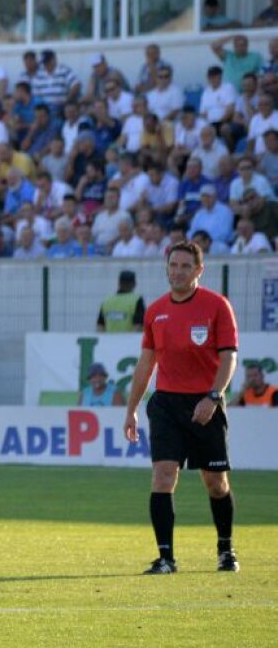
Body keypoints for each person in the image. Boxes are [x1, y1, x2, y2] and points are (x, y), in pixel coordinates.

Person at [124, 241, 240, 576]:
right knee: (162, 476)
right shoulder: (155, 310)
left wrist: (214, 396)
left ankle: (225, 550)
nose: (177, 272)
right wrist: (131, 409)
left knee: (215, 481)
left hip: (206, 402)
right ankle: (165, 558)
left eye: (185, 266)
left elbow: (229, 356)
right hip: (166, 404)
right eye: (173, 265)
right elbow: (146, 364)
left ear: (199, 270)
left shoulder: (217, 306)